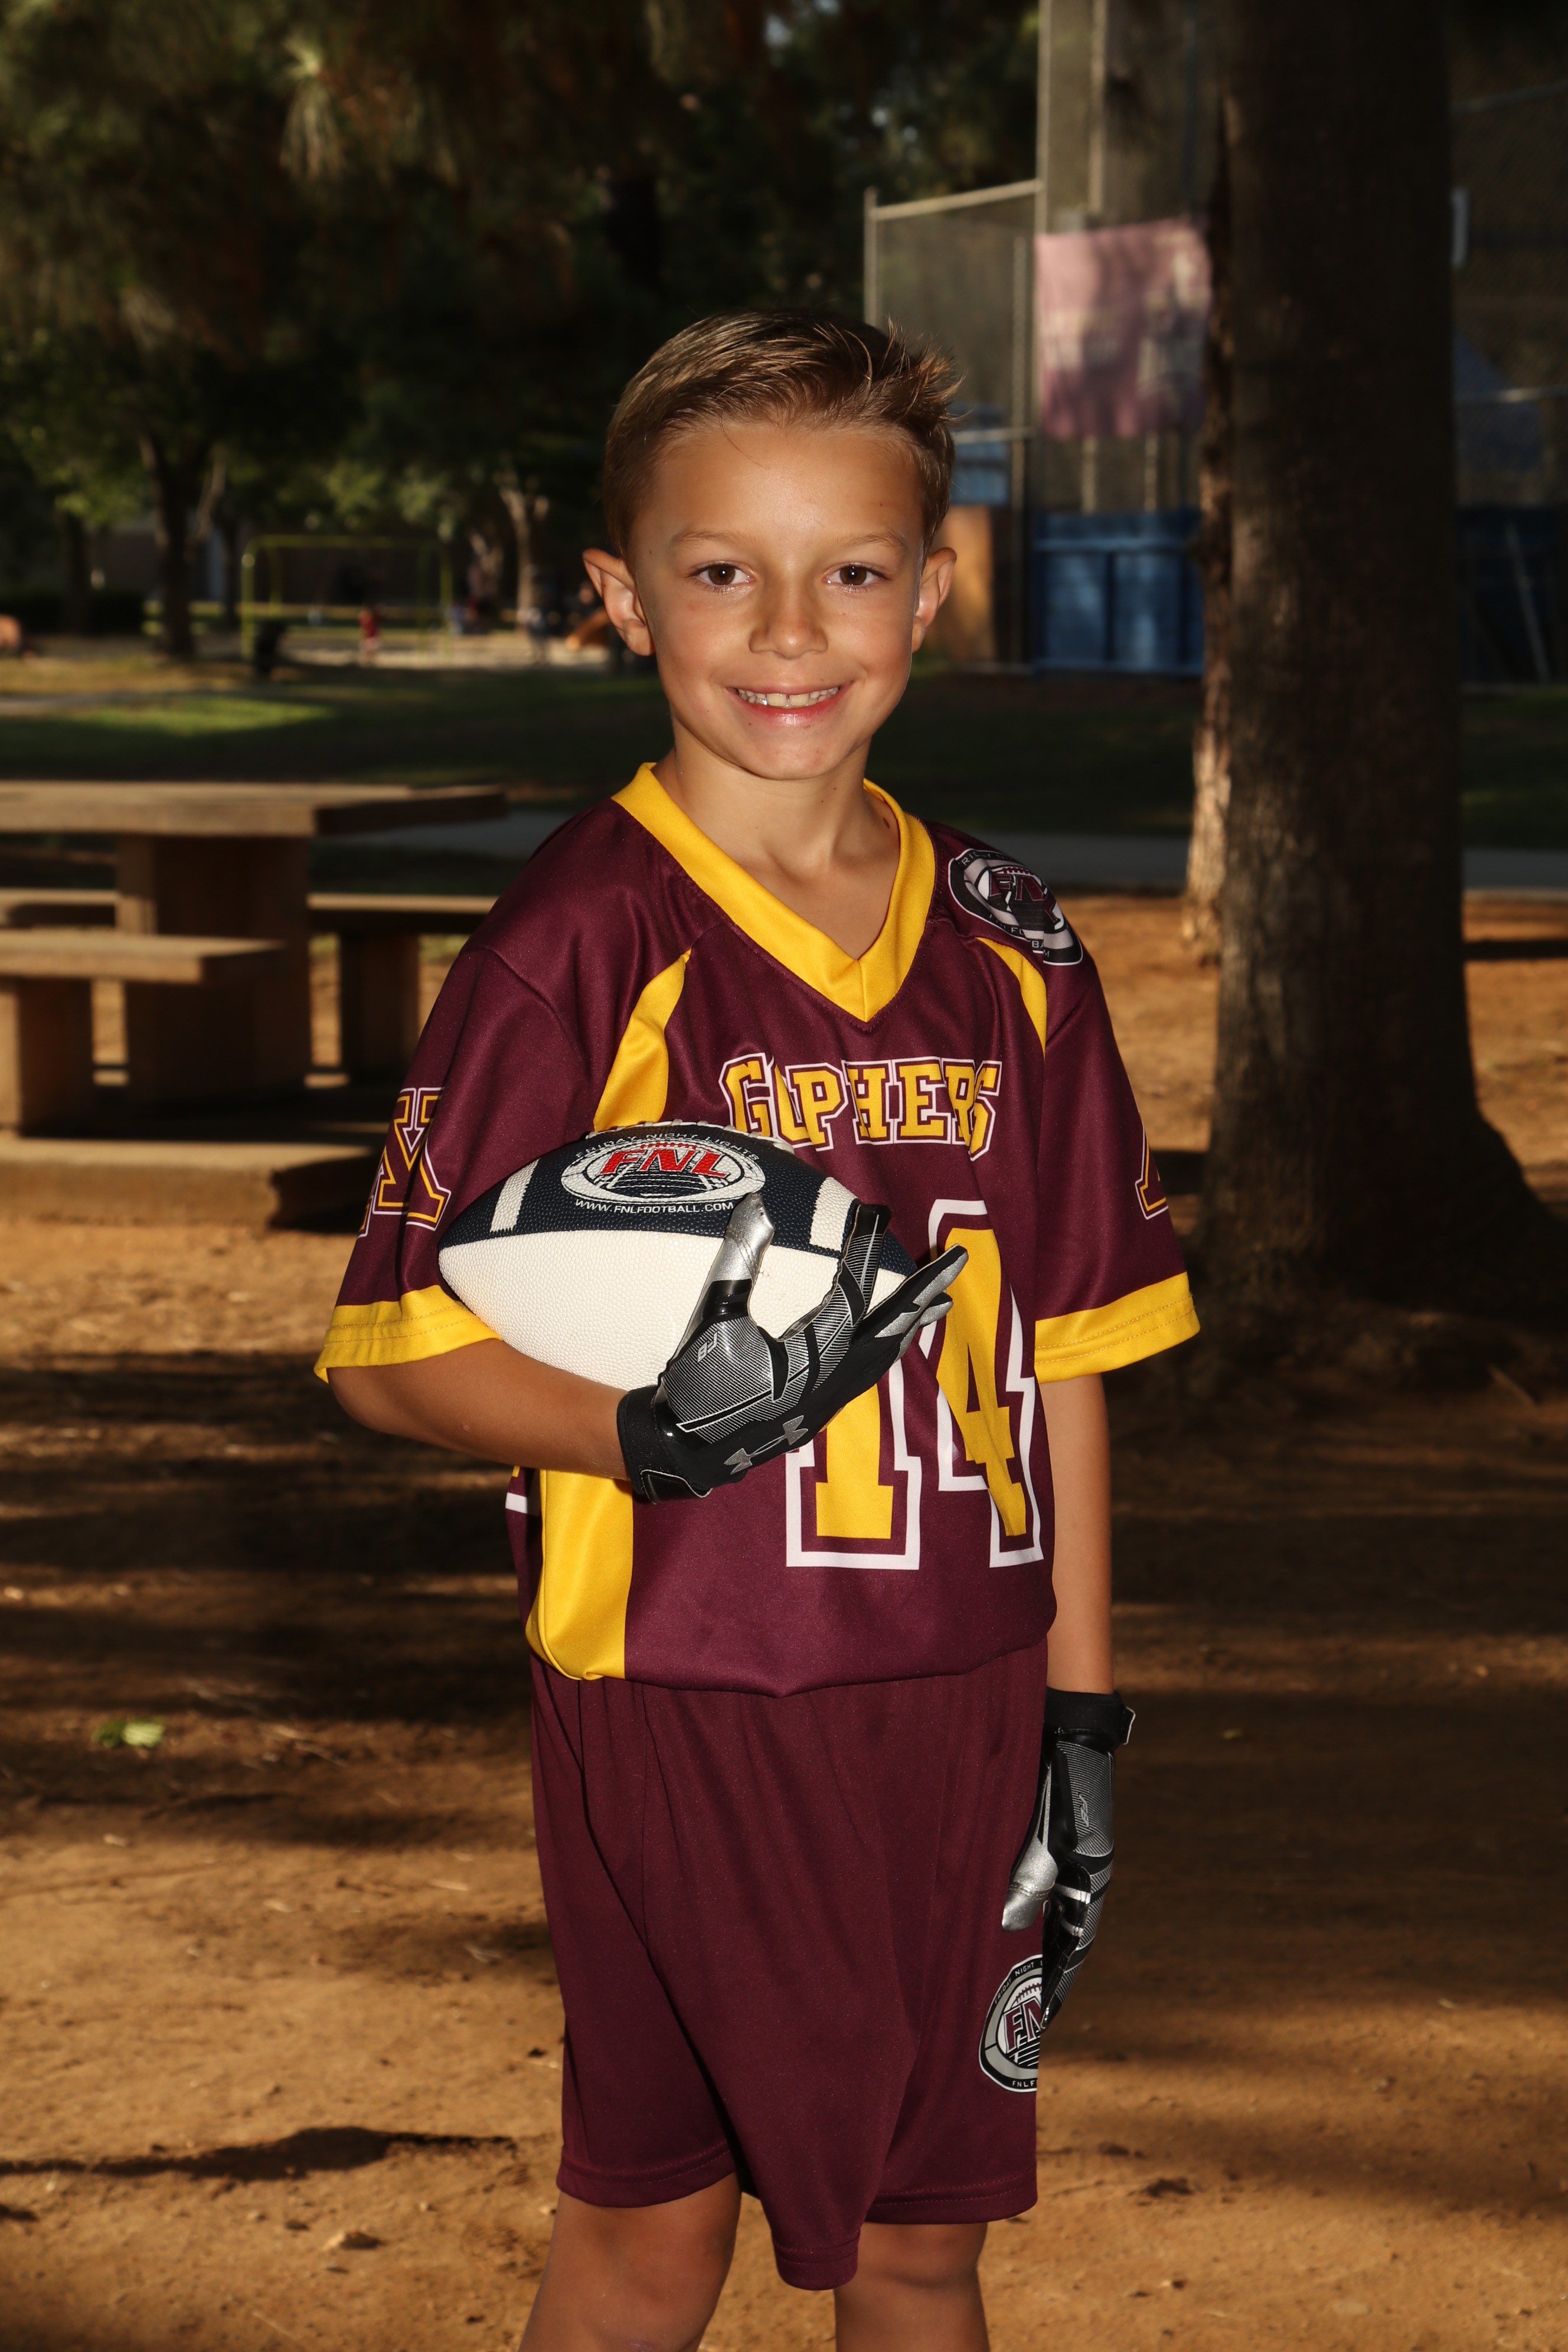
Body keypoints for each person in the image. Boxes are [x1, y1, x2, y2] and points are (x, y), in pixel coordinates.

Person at [317, 311, 1198, 2351]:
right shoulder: (580, 940)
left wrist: (1081, 1716)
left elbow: (1064, 1358)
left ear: (934, 587)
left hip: (971, 1691)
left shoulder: (1014, 943)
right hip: (702, 1692)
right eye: (722, 570)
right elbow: (389, 1353)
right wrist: (648, 1432)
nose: (790, 629)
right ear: (624, 593)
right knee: (659, 2227)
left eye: (853, 569)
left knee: (926, 2244)